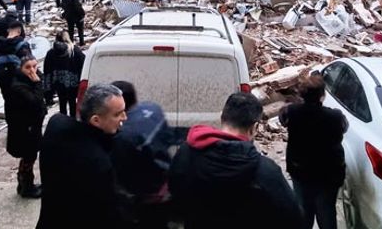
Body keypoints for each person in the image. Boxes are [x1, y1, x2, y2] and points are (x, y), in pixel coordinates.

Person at [169, 92, 303, 229]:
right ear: (254, 128)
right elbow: (293, 218)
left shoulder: (187, 153)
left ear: (222, 118)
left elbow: (175, 196)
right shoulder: (265, 171)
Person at [36, 83, 127, 229]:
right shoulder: (99, 163)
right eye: (117, 114)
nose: (125, 117)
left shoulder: (56, 124)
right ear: (96, 120)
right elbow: (110, 214)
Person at [280, 76, 347, 229]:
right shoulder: (335, 116)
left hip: (301, 171)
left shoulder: (291, 112)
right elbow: (344, 127)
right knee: (327, 213)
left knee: (303, 212)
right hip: (328, 175)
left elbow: (282, 119)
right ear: (322, 95)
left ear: (301, 94)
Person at [110, 81, 174, 229]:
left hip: (144, 199)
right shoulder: (153, 109)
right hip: (165, 188)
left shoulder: (124, 133)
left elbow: (121, 172)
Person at [5, 57, 47, 198]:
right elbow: (35, 101)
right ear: (21, 69)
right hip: (25, 129)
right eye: (28, 67)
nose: (32, 70)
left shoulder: (31, 80)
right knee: (29, 156)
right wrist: (37, 84)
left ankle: (24, 184)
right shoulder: (19, 87)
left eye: (34, 66)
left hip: (31, 126)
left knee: (29, 156)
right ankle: (27, 187)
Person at [42, 31, 84, 116]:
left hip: (59, 84)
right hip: (73, 84)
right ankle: (72, 123)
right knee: (72, 104)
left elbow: (47, 71)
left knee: (62, 103)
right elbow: (83, 66)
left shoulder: (51, 53)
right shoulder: (75, 51)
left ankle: (63, 120)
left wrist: (48, 91)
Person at [0, 21, 33, 97]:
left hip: (5, 87)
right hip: (22, 85)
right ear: (19, 31)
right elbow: (30, 66)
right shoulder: (22, 45)